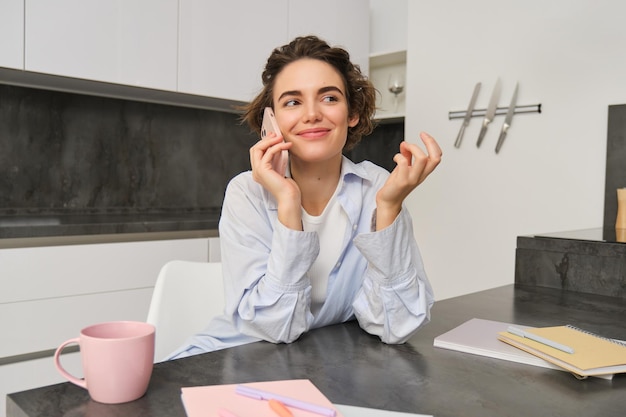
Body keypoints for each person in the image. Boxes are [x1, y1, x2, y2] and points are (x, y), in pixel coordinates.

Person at [168, 35, 442, 359]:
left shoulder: (379, 189)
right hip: (234, 357)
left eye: (328, 98)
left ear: (352, 113)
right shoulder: (247, 194)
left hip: (322, 364)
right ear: (273, 122)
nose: (311, 114)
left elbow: (398, 325)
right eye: (292, 102)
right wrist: (287, 203)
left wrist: (389, 208)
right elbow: (274, 327)